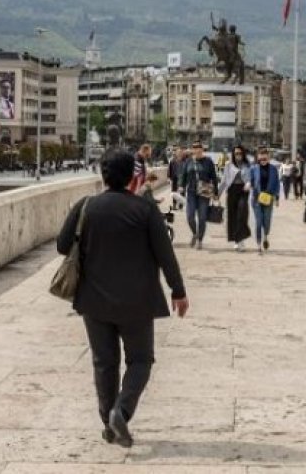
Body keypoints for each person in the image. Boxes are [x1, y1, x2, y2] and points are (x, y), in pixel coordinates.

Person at [57, 149, 188, 448]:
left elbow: (63, 246)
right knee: (140, 360)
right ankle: (122, 411)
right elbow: (164, 254)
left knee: (104, 363)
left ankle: (108, 422)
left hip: (94, 300)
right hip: (137, 301)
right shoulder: (145, 210)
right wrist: (178, 291)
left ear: (103, 175)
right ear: (133, 176)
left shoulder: (86, 206)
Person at [178, 141, 218, 250]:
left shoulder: (208, 161)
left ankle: (200, 240)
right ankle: (195, 233)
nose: (196, 149)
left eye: (198, 147)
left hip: (204, 193)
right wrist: (181, 186)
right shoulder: (188, 161)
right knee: (190, 216)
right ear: (192, 149)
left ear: (202, 149)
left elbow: (214, 177)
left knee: (202, 218)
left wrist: (216, 193)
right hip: (191, 192)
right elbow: (183, 175)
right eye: (194, 147)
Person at [218, 145, 252, 251]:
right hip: (232, 191)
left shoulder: (248, 165)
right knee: (233, 216)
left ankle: (241, 238)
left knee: (242, 214)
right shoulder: (228, 165)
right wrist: (217, 194)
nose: (238, 155)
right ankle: (238, 241)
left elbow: (252, 177)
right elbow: (224, 181)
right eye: (236, 153)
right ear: (233, 154)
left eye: (240, 153)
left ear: (243, 154)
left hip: (243, 191)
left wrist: (249, 183)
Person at [249, 147, 280, 254]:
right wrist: (249, 184)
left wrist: (277, 197)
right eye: (261, 158)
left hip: (268, 198)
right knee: (258, 222)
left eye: (265, 158)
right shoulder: (253, 168)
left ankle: (265, 236)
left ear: (268, 158)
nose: (263, 160)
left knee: (266, 222)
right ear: (258, 158)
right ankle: (258, 245)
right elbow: (251, 181)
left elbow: (276, 184)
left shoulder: (273, 169)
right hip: (256, 199)